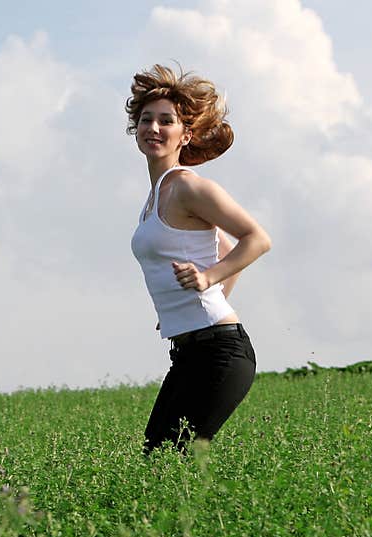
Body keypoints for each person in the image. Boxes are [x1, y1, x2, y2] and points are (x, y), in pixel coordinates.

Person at [128, 63, 273, 455]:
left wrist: (209, 280)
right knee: (155, 460)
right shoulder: (156, 195)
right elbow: (227, 251)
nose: (153, 128)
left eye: (166, 121)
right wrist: (196, 296)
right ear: (135, 131)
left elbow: (256, 239)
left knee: (171, 461)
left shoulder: (188, 187)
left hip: (220, 353)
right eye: (145, 120)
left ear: (185, 134)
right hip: (189, 352)